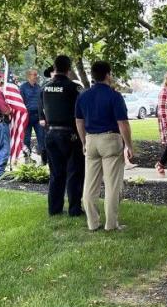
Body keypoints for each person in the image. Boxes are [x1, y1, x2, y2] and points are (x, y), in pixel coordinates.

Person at [75, 60, 133, 232]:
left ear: (93, 75)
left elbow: (79, 121)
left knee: (90, 185)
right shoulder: (114, 96)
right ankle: (111, 224)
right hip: (110, 140)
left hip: (91, 139)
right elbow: (122, 123)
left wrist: (84, 141)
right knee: (112, 185)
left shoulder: (83, 96)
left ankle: (92, 223)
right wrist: (129, 145)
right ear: (108, 74)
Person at [41, 55, 85, 216]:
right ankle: (74, 209)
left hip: (51, 133)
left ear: (54, 67)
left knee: (56, 173)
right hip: (69, 134)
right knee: (74, 172)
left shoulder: (45, 87)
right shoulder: (73, 88)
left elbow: (43, 110)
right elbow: (79, 112)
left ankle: (54, 208)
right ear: (69, 69)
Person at [20, 69, 46, 164]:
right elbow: (20, 102)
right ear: (28, 76)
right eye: (34, 74)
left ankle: (44, 159)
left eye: (37, 74)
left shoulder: (38, 87)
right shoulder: (23, 88)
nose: (36, 76)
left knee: (41, 137)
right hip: (27, 116)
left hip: (38, 116)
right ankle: (27, 158)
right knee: (26, 138)